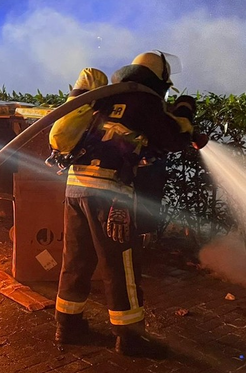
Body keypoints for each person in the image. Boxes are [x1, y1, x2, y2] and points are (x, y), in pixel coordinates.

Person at [54, 51, 197, 356]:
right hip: (111, 193)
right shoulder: (145, 101)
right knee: (120, 266)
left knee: (76, 260)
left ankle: (67, 326)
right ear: (158, 79)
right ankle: (129, 338)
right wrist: (186, 110)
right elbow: (172, 138)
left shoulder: (105, 97)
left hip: (75, 186)